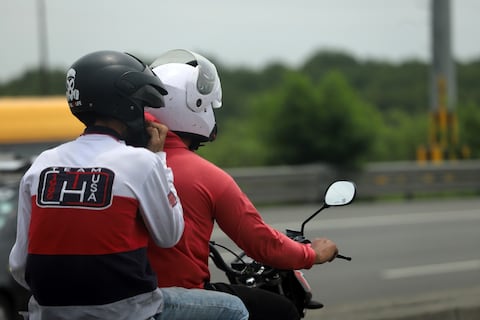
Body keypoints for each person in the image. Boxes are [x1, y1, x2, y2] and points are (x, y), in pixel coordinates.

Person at [8, 50, 248, 320]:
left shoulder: (42, 164)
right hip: (127, 311)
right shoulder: (141, 162)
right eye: (142, 103)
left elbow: (19, 265)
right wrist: (158, 158)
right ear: (126, 104)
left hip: (49, 312)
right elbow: (169, 236)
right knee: (234, 309)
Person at [145, 49, 339, 320]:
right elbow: (261, 243)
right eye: (208, 105)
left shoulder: (121, 160)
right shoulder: (205, 175)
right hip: (180, 298)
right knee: (281, 310)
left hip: (119, 297)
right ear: (193, 106)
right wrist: (312, 254)